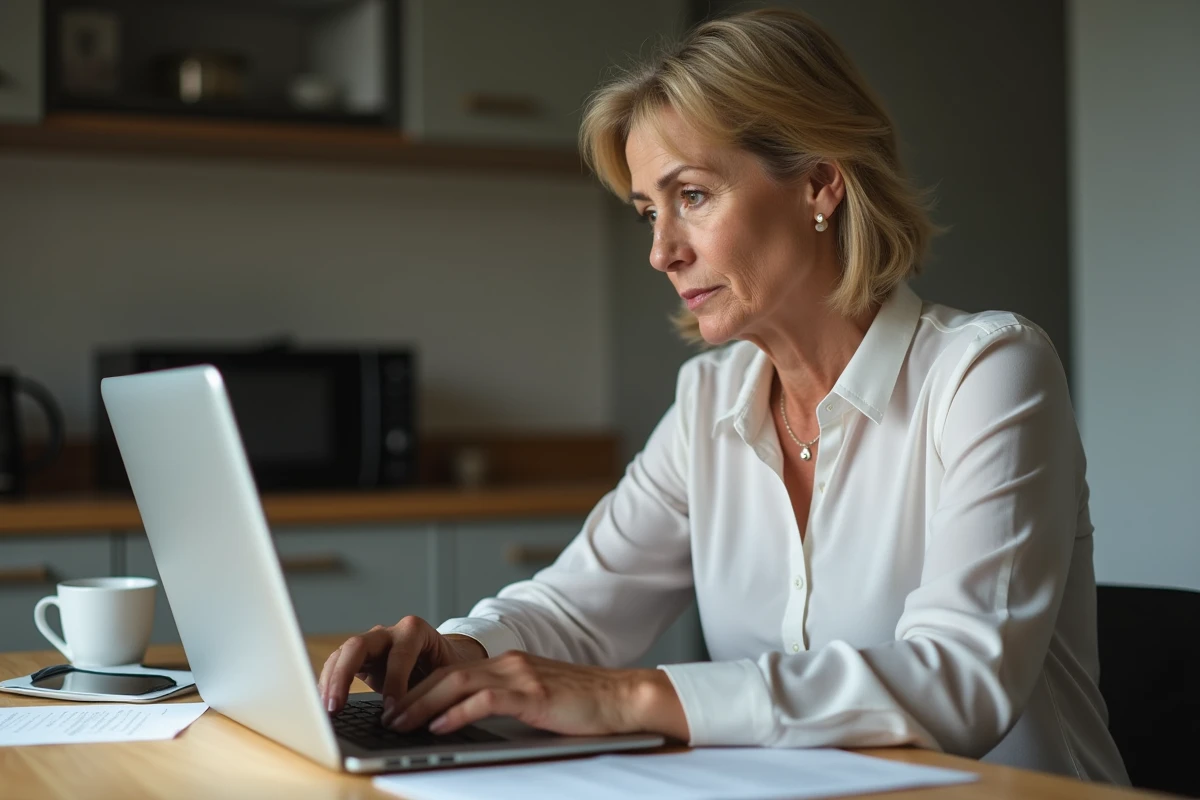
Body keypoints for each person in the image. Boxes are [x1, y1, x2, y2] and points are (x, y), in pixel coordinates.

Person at [318, 8, 1128, 783]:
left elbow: (959, 682)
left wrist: (633, 696)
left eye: (693, 196)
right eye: (648, 212)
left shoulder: (989, 373)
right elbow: (576, 609)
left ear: (818, 185)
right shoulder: (710, 401)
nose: (662, 252)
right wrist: (460, 652)